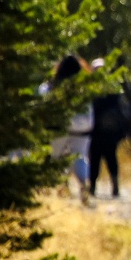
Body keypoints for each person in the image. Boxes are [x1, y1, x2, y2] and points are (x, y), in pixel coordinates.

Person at [44, 54, 93, 204]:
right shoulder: (84, 87)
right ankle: (83, 183)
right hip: (82, 127)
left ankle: (62, 187)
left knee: (57, 158)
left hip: (59, 127)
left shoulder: (53, 86)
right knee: (80, 157)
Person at [86, 63, 131, 198]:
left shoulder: (91, 89)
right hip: (110, 132)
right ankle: (114, 185)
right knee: (110, 158)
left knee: (95, 159)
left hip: (96, 131)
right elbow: (123, 111)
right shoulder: (114, 89)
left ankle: (93, 187)